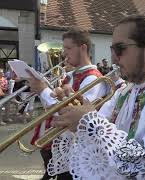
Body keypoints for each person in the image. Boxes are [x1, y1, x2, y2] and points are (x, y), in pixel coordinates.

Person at [46, 14, 145, 179]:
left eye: (120, 49)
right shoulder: (124, 92)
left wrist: (90, 123)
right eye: (112, 50)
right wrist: (75, 109)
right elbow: (99, 140)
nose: (113, 57)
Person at [26, 27, 107, 180]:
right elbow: (51, 108)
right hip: (57, 147)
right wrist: (42, 91)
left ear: (83, 48)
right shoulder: (70, 75)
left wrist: (43, 91)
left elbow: (74, 116)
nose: (64, 53)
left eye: (68, 48)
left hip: (74, 152)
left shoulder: (93, 79)